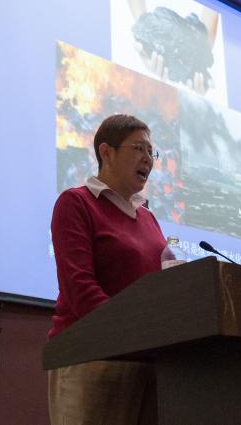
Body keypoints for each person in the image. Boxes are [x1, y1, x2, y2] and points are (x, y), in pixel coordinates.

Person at [47, 114, 166, 425]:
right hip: (92, 360)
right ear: (106, 152)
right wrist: (136, 333)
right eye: (138, 148)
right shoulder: (76, 203)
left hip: (149, 363)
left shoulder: (148, 218)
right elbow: (80, 289)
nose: (147, 158)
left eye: (151, 151)